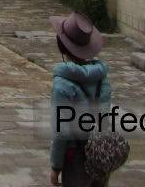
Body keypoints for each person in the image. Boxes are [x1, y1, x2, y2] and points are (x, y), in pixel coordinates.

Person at [49, 11, 112, 187]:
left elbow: (61, 131)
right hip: (101, 151)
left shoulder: (62, 85)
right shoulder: (101, 78)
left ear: (62, 47)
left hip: (76, 155)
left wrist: (56, 166)